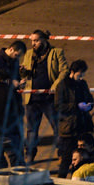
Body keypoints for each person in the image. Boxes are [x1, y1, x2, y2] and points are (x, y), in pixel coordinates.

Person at [20, 29, 68, 163]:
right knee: (31, 130)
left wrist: (55, 86)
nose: (33, 44)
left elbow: (64, 71)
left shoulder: (56, 52)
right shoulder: (29, 54)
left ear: (44, 40)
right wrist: (22, 72)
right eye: (31, 41)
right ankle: (29, 155)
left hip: (49, 99)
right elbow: (25, 75)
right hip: (32, 98)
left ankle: (62, 152)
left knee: (57, 128)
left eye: (36, 40)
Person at [54, 59, 94, 178]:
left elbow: (90, 98)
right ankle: (61, 181)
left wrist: (89, 105)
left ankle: (77, 178)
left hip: (82, 126)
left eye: (83, 74)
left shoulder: (83, 84)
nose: (81, 76)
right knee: (66, 158)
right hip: (69, 128)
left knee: (83, 157)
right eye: (79, 74)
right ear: (72, 72)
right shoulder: (62, 86)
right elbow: (58, 106)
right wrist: (75, 106)